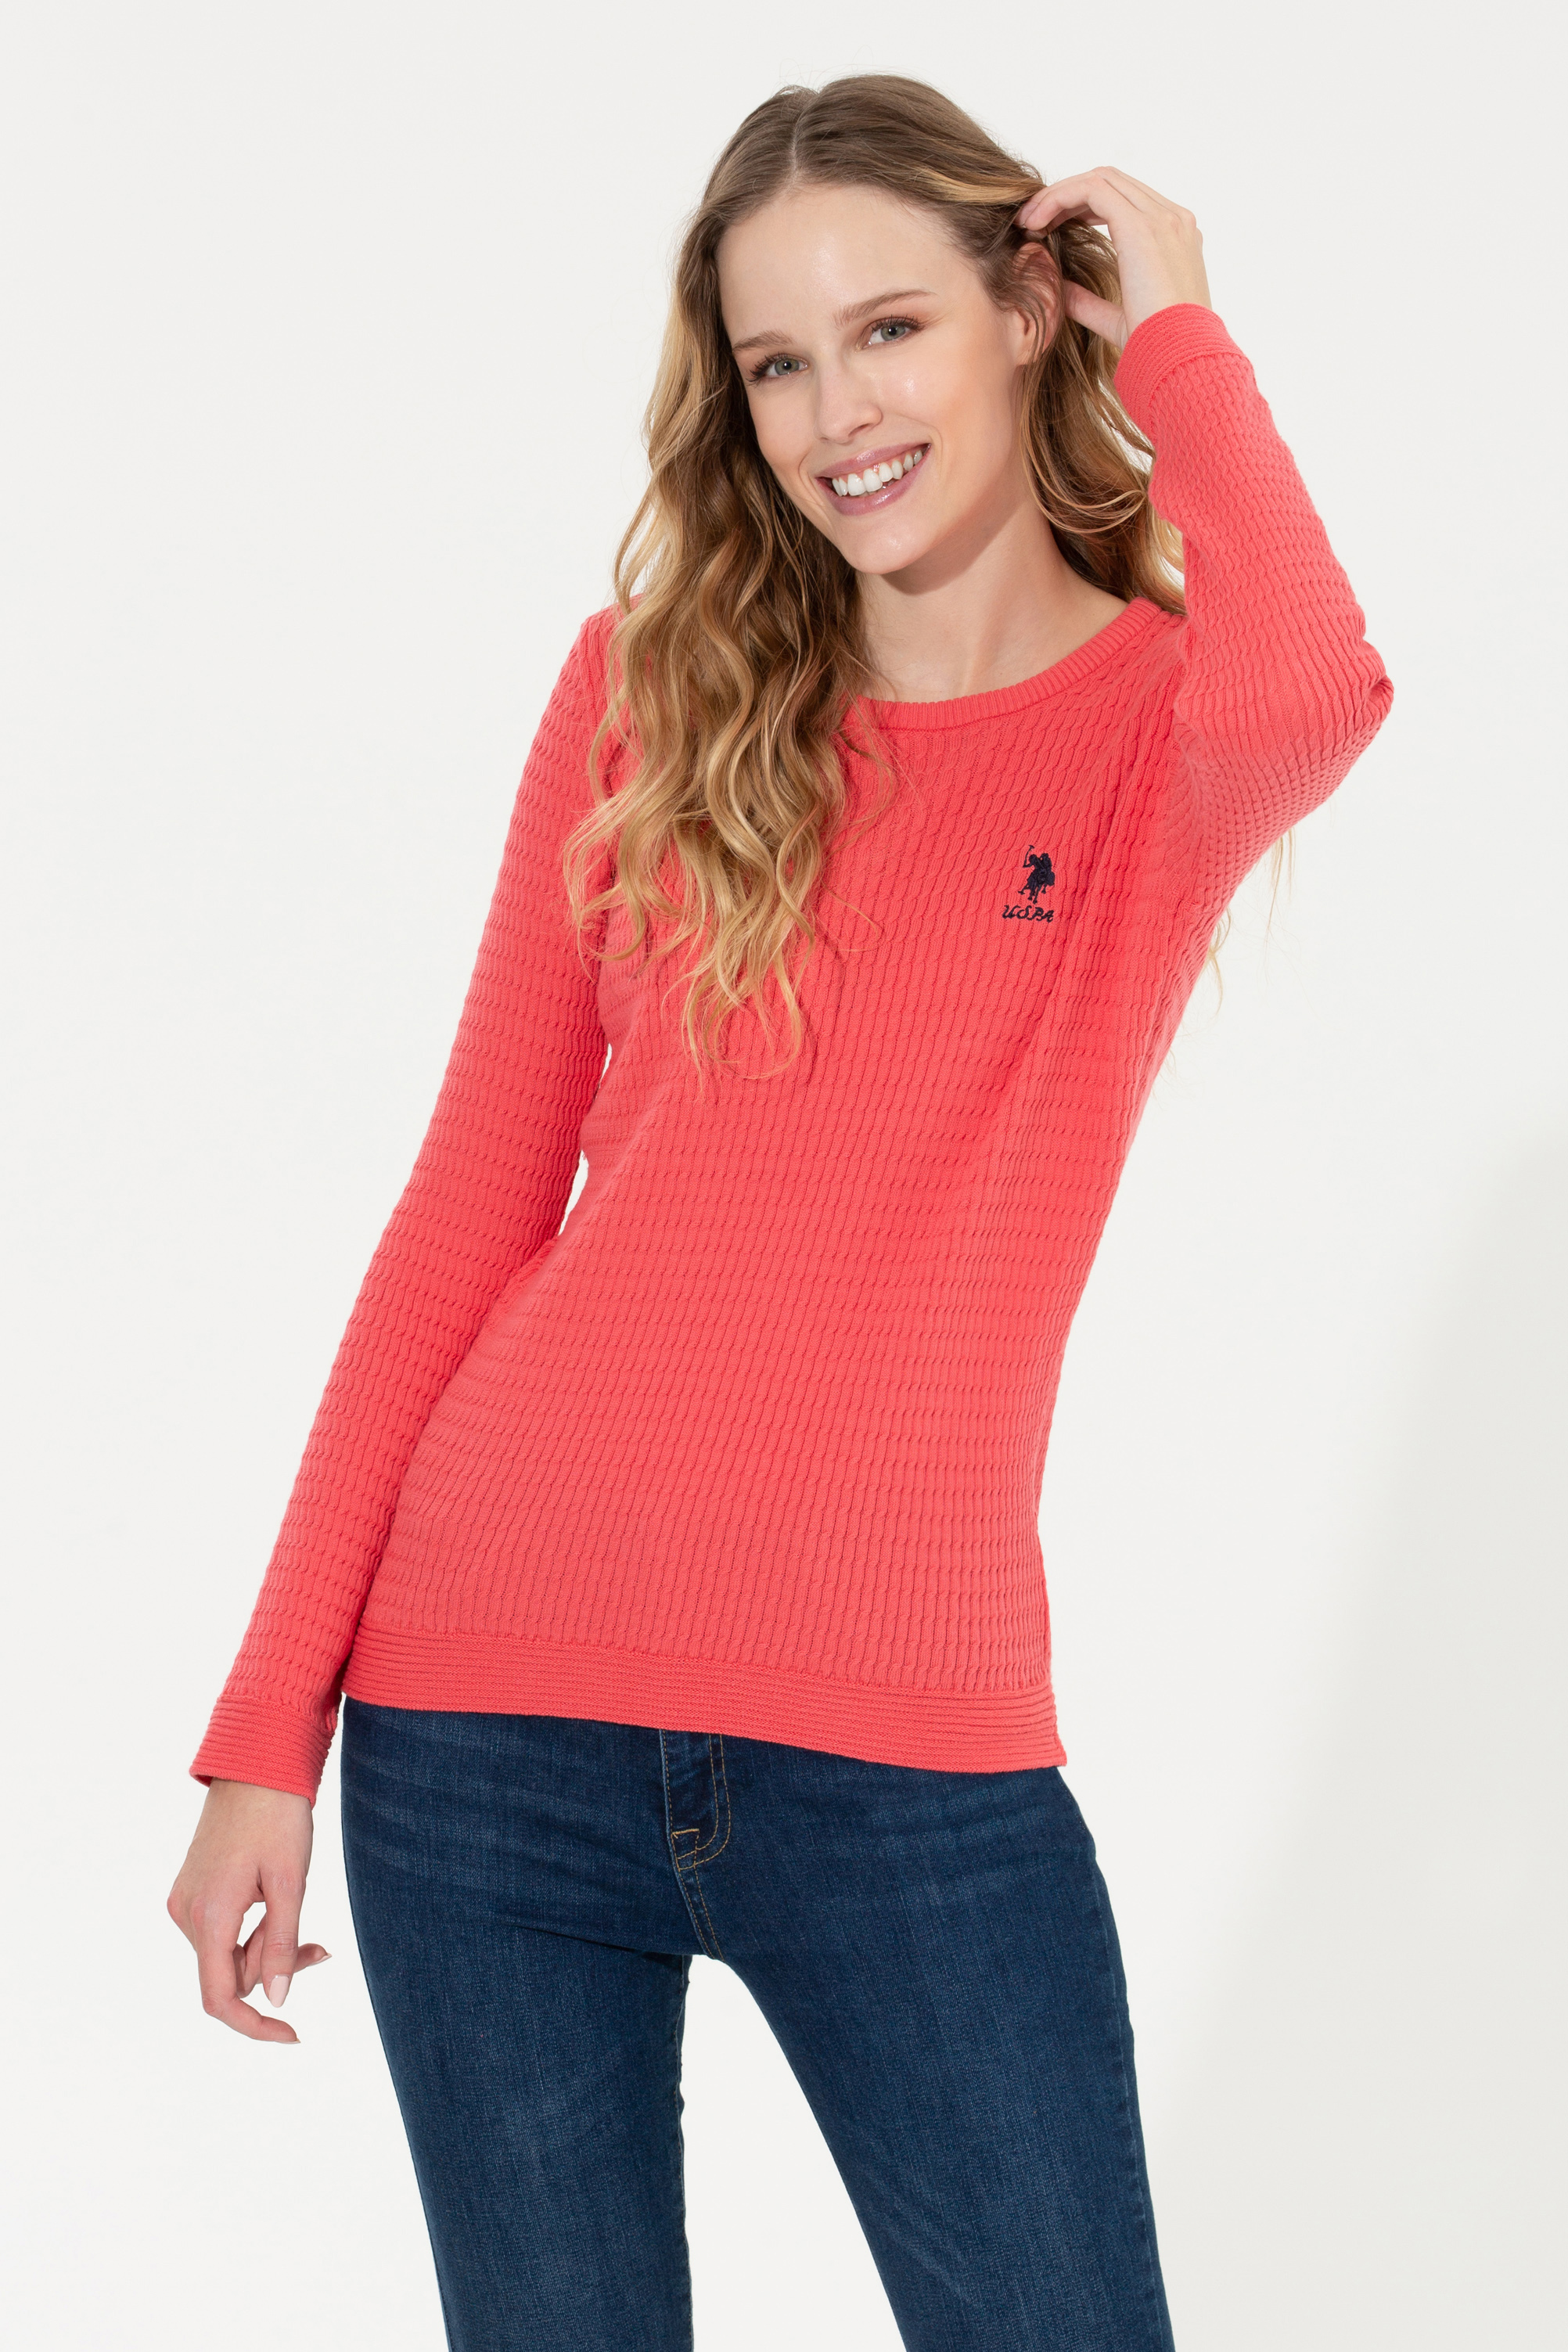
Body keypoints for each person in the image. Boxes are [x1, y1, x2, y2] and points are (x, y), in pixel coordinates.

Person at [167, 74, 1392, 2352]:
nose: (840, 416)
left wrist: (1183, 331)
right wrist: (267, 1729)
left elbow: (1323, 684)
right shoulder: (649, 693)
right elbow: (466, 1209)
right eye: (777, 363)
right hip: (483, 1722)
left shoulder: (1157, 727)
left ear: (1029, 309)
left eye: (891, 328)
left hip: (911, 1750)